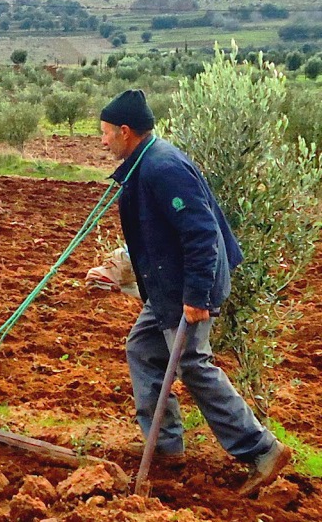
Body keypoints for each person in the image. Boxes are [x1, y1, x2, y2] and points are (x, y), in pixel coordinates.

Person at [100, 89, 292, 496]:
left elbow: (201, 233)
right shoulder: (143, 164)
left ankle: (261, 449)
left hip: (188, 286)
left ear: (125, 131)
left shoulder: (162, 167)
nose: (102, 143)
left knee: (192, 364)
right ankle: (166, 448)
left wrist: (198, 296)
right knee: (143, 349)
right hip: (167, 287)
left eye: (105, 134)